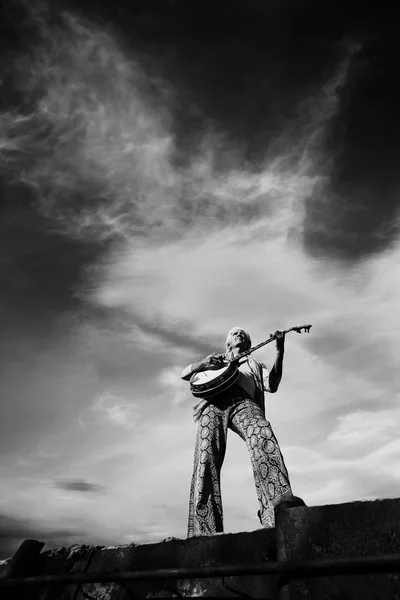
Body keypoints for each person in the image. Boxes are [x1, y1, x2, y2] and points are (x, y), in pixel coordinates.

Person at [181, 326, 304, 537]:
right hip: (215, 403)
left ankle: (280, 507)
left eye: (243, 334)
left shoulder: (254, 363)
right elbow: (185, 375)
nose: (239, 334)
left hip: (244, 403)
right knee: (206, 454)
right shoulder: (217, 361)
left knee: (261, 432)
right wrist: (203, 363)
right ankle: (204, 529)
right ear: (228, 342)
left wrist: (279, 351)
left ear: (247, 342)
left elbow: (272, 384)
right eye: (234, 333)